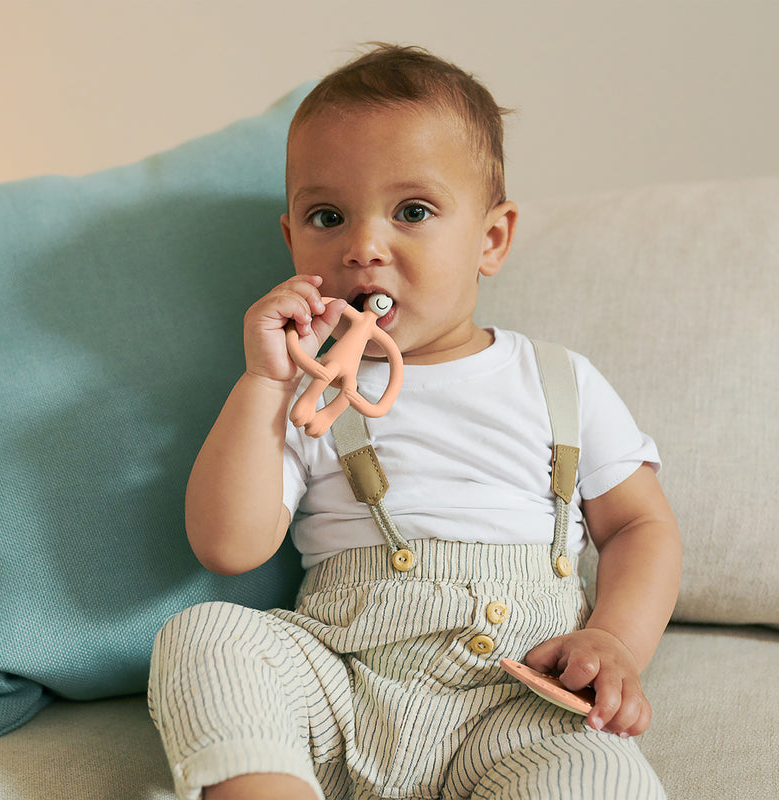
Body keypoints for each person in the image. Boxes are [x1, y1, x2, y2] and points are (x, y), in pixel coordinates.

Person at [148, 44, 682, 800]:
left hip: (515, 701)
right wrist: (262, 380)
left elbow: (640, 526)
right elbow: (227, 546)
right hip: (343, 685)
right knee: (205, 637)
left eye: (413, 212)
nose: (363, 247)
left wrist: (615, 641)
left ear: (491, 240)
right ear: (292, 241)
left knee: (596, 770)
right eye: (327, 216)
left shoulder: (559, 380)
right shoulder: (306, 391)